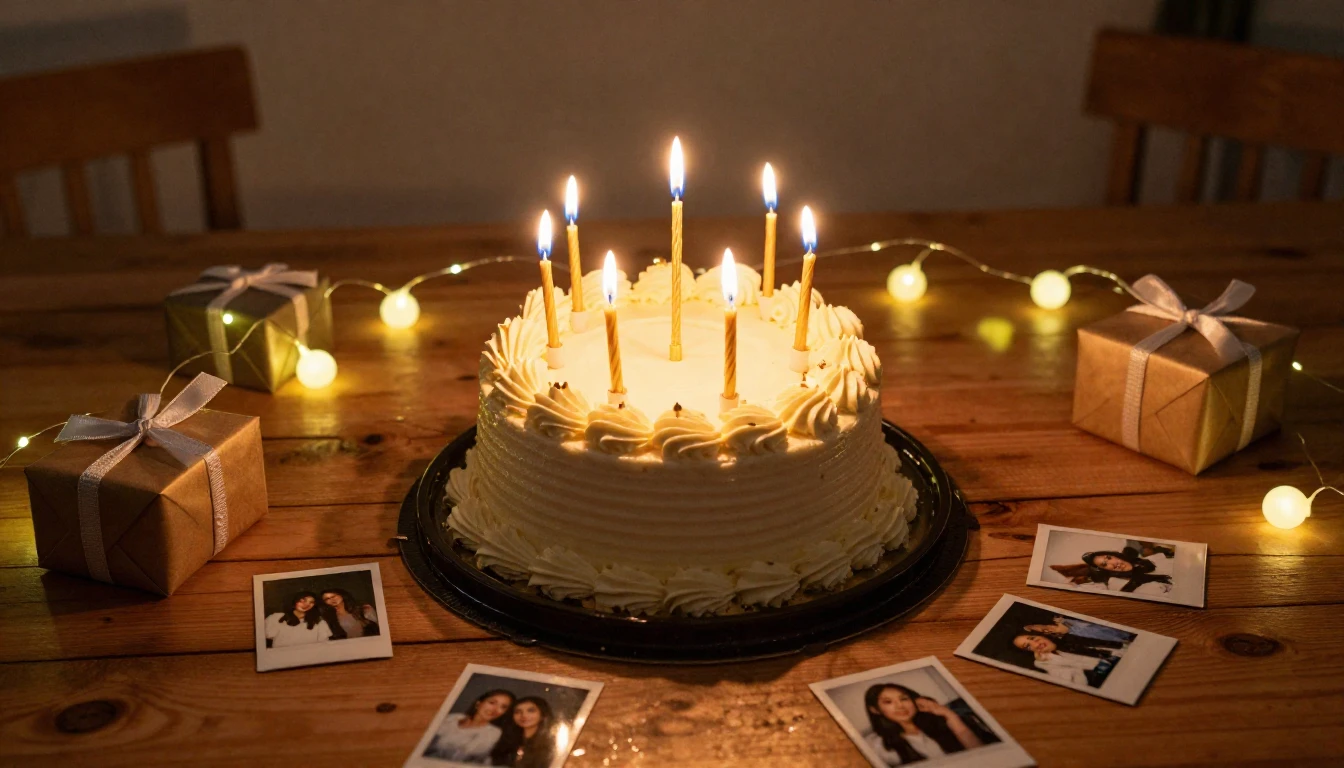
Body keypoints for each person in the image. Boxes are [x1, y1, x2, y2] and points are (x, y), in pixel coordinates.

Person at [861, 683, 984, 765]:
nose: (900, 706)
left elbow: (982, 755)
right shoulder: (876, 744)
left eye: (904, 699)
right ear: (875, 710)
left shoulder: (937, 724)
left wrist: (948, 714)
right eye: (888, 702)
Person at [422, 689, 515, 765]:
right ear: (478, 704)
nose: (495, 709)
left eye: (503, 707)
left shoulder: (494, 733)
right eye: (492, 702)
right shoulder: (451, 718)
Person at [1012, 632, 1125, 687]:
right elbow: (1078, 682)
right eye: (1027, 646)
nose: (1035, 644)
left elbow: (1117, 646)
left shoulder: (1069, 638)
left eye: (1032, 638)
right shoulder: (1042, 663)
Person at [492, 696, 556, 768]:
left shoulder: (551, 745)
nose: (524, 715)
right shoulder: (506, 740)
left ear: (542, 715)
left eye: (530, 711)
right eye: (518, 712)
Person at [1081, 547, 1174, 595]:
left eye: (1109, 558)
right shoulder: (1126, 586)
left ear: (1114, 555)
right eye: (1104, 564)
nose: (1113, 563)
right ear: (1104, 570)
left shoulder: (1146, 561)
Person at [264, 591, 332, 648]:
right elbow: (265, 636)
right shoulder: (276, 617)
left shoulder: (319, 622)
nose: (307, 604)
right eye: (303, 600)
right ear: (295, 601)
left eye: (311, 602)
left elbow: (324, 645)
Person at [1023, 615, 1135, 645]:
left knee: (1104, 630)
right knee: (1106, 635)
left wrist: (1062, 624)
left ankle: (1127, 635)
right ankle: (1126, 638)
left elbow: (1073, 623)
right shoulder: (1053, 635)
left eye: (1033, 626)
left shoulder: (1058, 619)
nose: (1039, 629)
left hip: (1085, 627)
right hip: (1081, 633)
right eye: (1034, 630)